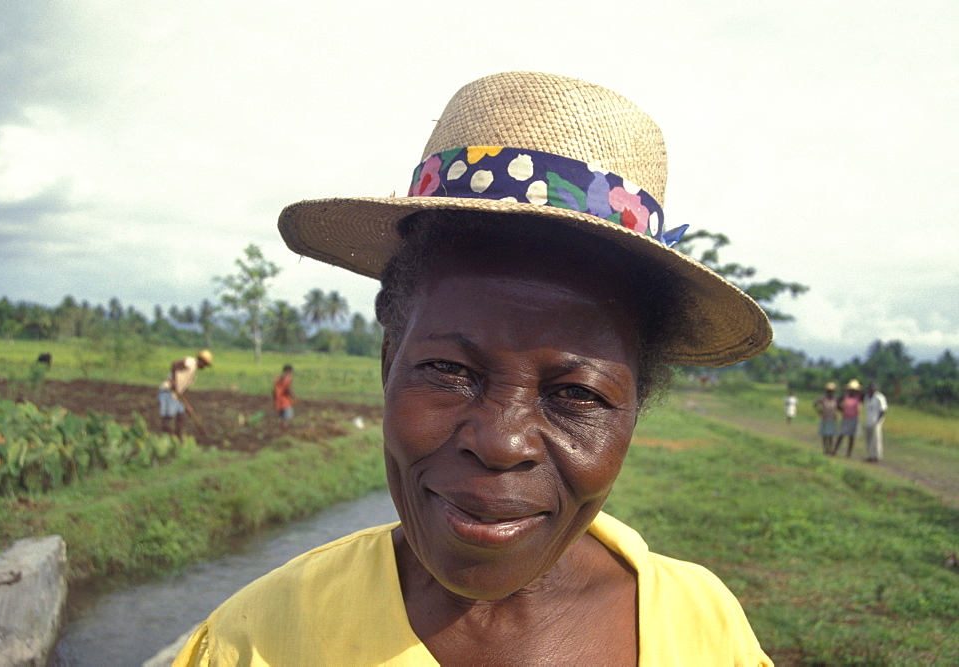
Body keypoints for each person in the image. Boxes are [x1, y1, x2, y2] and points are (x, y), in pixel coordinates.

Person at [175, 71, 773, 665]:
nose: (501, 442)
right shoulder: (259, 640)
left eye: (576, 395)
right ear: (389, 363)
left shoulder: (704, 631)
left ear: (636, 407)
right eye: (446, 369)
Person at [158, 349, 212, 437]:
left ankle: (178, 437)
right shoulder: (190, 362)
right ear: (201, 360)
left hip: (176, 394)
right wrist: (174, 382)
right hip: (168, 390)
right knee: (168, 416)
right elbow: (175, 364)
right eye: (205, 364)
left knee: (181, 415)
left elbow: (184, 389)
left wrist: (187, 405)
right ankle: (166, 435)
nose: (204, 366)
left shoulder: (193, 375)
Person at [832, 379, 862, 457]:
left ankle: (849, 453)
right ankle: (835, 450)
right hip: (846, 418)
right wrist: (842, 410)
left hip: (854, 418)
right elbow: (837, 402)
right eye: (851, 389)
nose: (853, 391)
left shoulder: (858, 397)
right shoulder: (845, 396)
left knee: (851, 437)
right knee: (841, 435)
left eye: (854, 390)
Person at [863, 382, 888, 462]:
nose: (871, 389)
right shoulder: (866, 397)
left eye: (873, 388)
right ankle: (870, 455)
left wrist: (878, 419)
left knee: (876, 439)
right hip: (868, 420)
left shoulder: (879, 397)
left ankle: (877, 456)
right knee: (869, 439)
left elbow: (883, 409)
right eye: (870, 388)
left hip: (876, 421)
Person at [814, 382, 839, 455]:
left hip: (832, 418)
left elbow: (840, 406)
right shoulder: (823, 398)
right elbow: (815, 404)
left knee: (831, 435)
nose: (830, 392)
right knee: (824, 435)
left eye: (831, 391)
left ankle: (830, 449)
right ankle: (825, 449)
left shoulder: (835, 399)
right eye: (829, 390)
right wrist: (819, 411)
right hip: (825, 418)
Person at [273, 364, 297, 433]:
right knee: (286, 418)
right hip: (286, 400)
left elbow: (274, 390)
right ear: (288, 370)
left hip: (278, 400)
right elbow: (289, 388)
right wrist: (293, 396)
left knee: (282, 418)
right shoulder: (288, 378)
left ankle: (282, 431)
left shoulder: (277, 377)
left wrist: (275, 399)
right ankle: (284, 432)